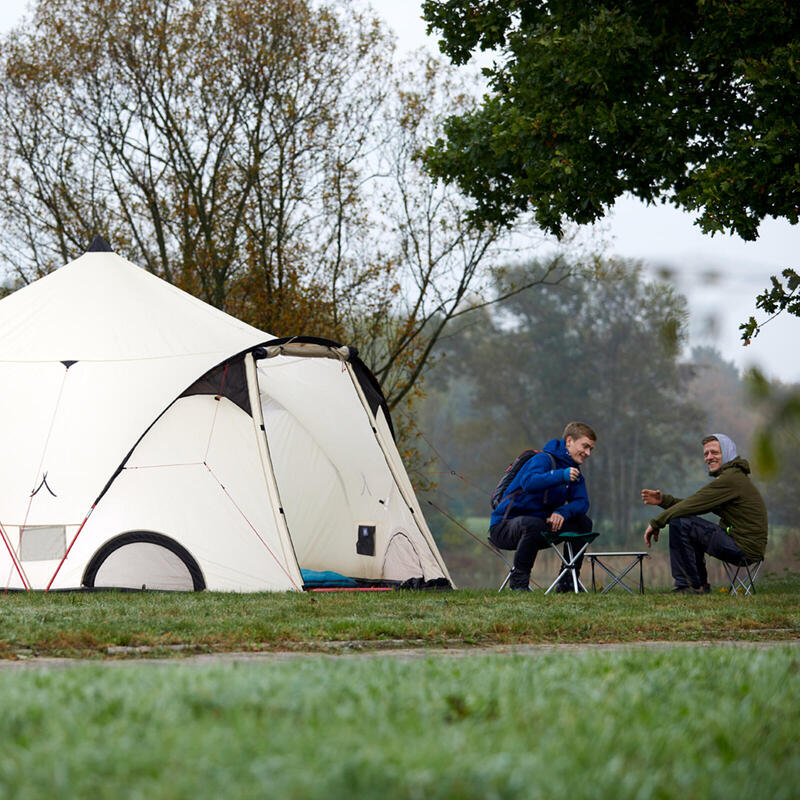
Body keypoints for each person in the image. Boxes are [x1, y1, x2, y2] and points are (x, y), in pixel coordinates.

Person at [642, 433, 768, 593]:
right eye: (706, 454)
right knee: (685, 521)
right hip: (743, 545)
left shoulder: (730, 480)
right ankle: (699, 585)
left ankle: (690, 586)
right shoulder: (733, 477)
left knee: (681, 522)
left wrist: (656, 522)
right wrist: (664, 501)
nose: (709, 457)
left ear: (728, 452)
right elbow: (693, 504)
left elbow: (693, 503)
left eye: (715, 452)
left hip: (743, 548)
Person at [489, 422, 596, 591]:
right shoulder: (542, 459)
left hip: (540, 526)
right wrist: (561, 475)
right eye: (585, 446)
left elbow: (582, 502)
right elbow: (529, 482)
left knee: (583, 523)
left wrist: (562, 512)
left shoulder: (574, 470)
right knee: (532, 524)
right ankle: (519, 583)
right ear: (569, 441)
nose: (588, 453)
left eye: (591, 449)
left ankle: (567, 581)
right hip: (504, 527)